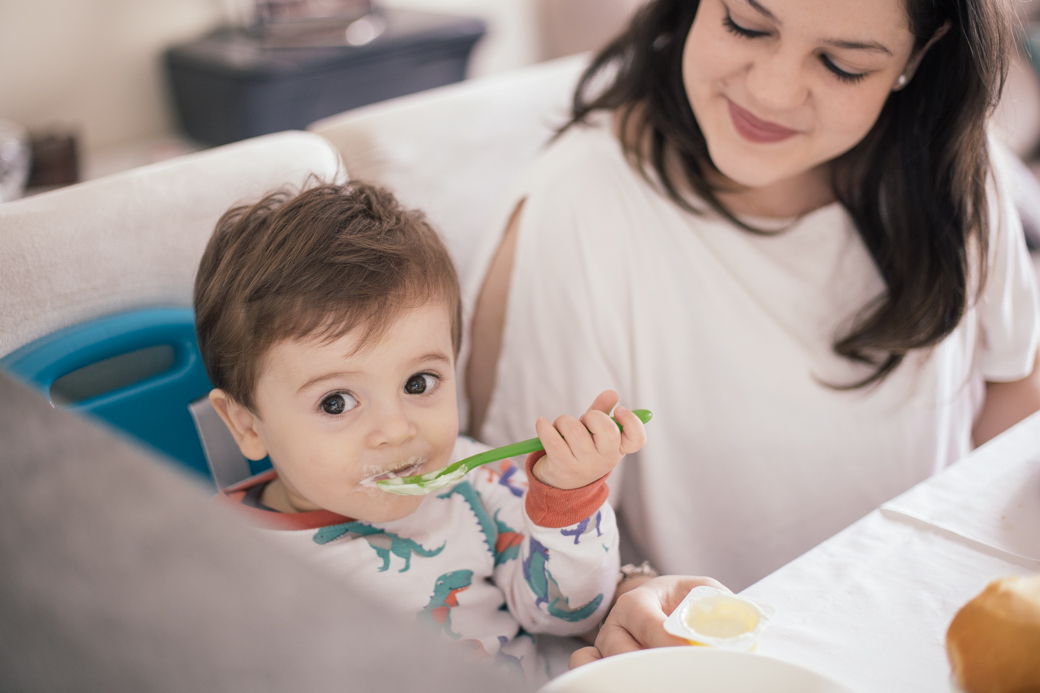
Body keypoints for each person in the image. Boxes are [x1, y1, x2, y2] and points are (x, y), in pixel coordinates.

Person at [464, 0, 1040, 667]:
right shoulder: (579, 213)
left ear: (918, 57)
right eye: (745, 24)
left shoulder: (957, 172)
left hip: (932, 639)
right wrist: (632, 593)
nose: (771, 90)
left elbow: (1010, 391)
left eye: (841, 63)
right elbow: (516, 533)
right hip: (722, 663)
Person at [192, 181, 648, 683]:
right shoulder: (214, 552)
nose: (395, 429)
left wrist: (568, 501)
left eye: (418, 382)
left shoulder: (483, 486)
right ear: (245, 424)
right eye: (336, 402)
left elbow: (570, 614)